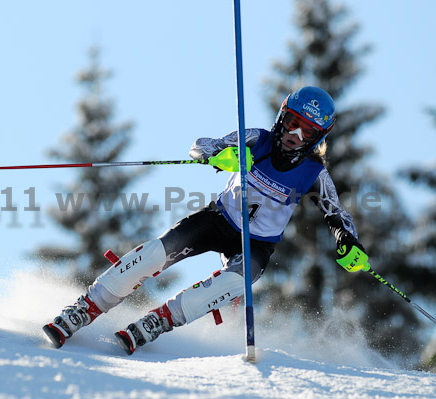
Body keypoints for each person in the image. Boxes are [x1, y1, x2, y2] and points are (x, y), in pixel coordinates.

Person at [43, 86, 370, 355]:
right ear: (281, 118)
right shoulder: (258, 140)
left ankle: (161, 319)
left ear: (317, 137)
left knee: (237, 281)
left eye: (307, 130)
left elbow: (336, 213)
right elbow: (202, 146)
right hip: (218, 220)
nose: (295, 135)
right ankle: (86, 307)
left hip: (257, 244)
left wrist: (346, 240)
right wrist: (221, 156)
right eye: (292, 123)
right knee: (157, 253)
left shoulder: (315, 173)